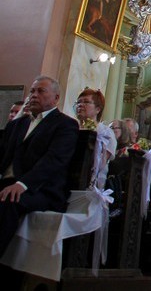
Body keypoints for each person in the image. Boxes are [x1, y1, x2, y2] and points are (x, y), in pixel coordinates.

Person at [0, 76, 79, 258]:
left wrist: (22, 184)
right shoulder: (17, 125)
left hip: (40, 190)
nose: (34, 95)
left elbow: (53, 161)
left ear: (56, 98)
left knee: (7, 202)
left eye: (41, 91)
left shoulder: (65, 125)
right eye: (32, 91)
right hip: (8, 183)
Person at [74, 88, 117, 187]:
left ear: (98, 109)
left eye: (86, 102)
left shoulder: (106, 132)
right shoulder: (71, 128)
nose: (80, 105)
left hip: (91, 182)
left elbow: (101, 163)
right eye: (78, 102)